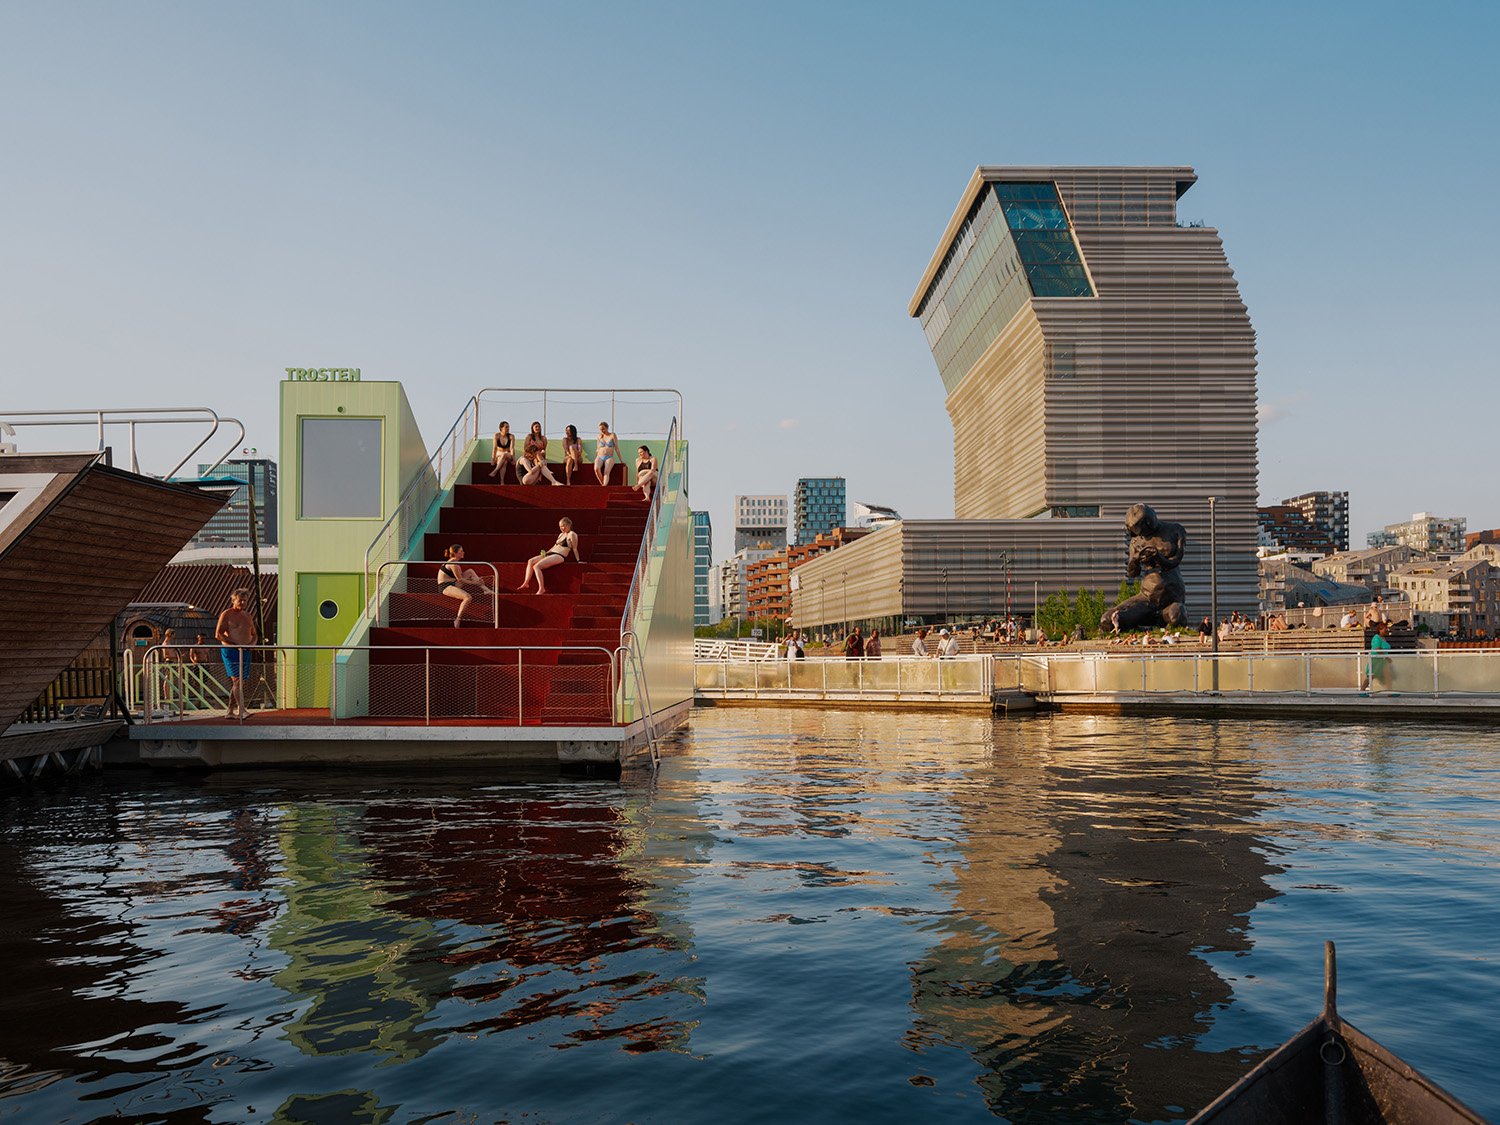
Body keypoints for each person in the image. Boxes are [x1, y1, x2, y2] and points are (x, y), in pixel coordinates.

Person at [215, 588, 258, 721]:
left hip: (245, 651)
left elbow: (254, 634)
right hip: (231, 651)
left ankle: (229, 711)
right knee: (237, 681)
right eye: (241, 600)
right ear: (234, 600)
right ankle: (242, 710)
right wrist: (234, 644)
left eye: (245, 600)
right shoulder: (227, 614)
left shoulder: (248, 616)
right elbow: (218, 634)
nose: (243, 603)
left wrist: (251, 645)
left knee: (240, 682)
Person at [438, 544, 495, 627]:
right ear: (455, 553)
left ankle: (485, 589)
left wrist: (477, 580)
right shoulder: (453, 563)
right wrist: (477, 582)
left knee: (470, 571)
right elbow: (460, 579)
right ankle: (458, 619)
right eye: (461, 551)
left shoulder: (456, 562)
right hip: (445, 587)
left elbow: (461, 578)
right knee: (468, 597)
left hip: (453, 583)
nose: (463, 552)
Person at [518, 517, 580, 593]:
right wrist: (546, 553)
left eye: (563, 526)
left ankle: (541, 588)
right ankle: (526, 582)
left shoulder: (572, 534)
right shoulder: (561, 534)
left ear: (569, 525)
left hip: (559, 556)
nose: (562, 528)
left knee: (536, 566)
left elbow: (575, 549)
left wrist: (578, 560)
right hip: (550, 553)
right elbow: (554, 546)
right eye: (560, 526)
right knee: (530, 561)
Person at [1363, 620, 1393, 691]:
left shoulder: (1384, 638)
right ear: (1380, 629)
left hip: (1382, 661)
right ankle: (1362, 689)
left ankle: (1390, 692)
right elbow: (1377, 649)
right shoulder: (1376, 637)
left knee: (1388, 676)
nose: (1386, 631)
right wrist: (1386, 657)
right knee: (1371, 676)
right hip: (1376, 660)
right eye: (1385, 629)